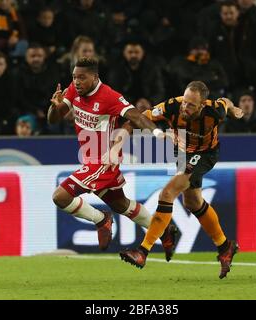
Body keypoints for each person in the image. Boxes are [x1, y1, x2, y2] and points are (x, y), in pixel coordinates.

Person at [47, 57, 178, 258]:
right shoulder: (73, 90)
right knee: (121, 204)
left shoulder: (109, 97)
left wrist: (159, 134)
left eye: (81, 77)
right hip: (90, 159)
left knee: (60, 197)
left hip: (102, 161)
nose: (76, 82)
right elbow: (53, 119)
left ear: (95, 77)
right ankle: (163, 230)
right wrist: (55, 106)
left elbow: (136, 117)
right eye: (74, 77)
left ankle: (101, 219)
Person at [119, 81, 244, 279]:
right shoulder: (172, 106)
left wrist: (235, 108)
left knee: (167, 193)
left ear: (202, 105)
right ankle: (225, 246)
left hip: (205, 154)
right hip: (182, 153)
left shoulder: (214, 111)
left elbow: (225, 103)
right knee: (192, 202)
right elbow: (143, 117)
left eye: (191, 105)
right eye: (185, 102)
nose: (185, 107)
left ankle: (142, 252)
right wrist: (124, 133)